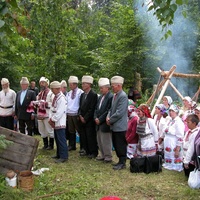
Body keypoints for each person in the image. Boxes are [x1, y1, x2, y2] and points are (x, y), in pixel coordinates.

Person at [106, 76, 128, 170]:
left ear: (119, 85)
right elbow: (111, 109)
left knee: (120, 144)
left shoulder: (123, 96)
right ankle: (120, 161)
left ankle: (122, 163)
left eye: (113, 86)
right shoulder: (115, 95)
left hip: (120, 126)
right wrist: (108, 116)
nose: (112, 87)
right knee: (116, 143)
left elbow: (119, 112)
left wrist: (110, 120)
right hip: (114, 125)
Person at [78, 75, 98, 158]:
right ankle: (86, 150)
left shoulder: (93, 95)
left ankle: (93, 152)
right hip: (82, 118)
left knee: (90, 136)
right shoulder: (82, 95)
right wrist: (80, 115)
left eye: (84, 84)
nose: (82, 85)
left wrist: (85, 118)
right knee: (83, 135)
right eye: (82, 84)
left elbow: (92, 108)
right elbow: (80, 106)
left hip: (89, 120)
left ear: (89, 85)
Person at [94, 78, 113, 163]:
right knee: (99, 139)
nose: (100, 89)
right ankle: (102, 154)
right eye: (100, 88)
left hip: (104, 122)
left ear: (107, 87)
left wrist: (100, 119)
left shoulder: (110, 96)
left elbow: (108, 110)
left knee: (106, 140)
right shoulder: (100, 97)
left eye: (102, 88)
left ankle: (108, 156)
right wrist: (95, 117)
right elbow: (96, 108)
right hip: (98, 122)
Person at [49, 81, 68, 163]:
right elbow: (52, 108)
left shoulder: (62, 98)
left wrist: (53, 119)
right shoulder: (55, 97)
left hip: (60, 121)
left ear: (57, 89)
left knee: (61, 139)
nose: (52, 91)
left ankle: (64, 156)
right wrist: (51, 118)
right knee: (57, 138)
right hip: (55, 120)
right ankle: (59, 154)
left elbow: (60, 111)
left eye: (53, 89)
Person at [162, 104, 184, 172]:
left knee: (173, 153)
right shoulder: (170, 120)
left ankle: (175, 165)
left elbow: (180, 136)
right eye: (170, 111)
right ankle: (168, 163)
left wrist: (177, 149)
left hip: (174, 141)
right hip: (168, 140)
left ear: (177, 112)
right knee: (168, 152)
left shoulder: (178, 122)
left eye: (173, 111)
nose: (171, 112)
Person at [35, 77, 54, 150]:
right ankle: (45, 144)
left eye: (43, 83)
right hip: (40, 114)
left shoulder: (50, 93)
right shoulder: (39, 93)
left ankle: (51, 145)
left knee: (49, 130)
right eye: (40, 83)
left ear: (46, 83)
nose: (41, 84)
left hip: (47, 114)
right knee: (42, 130)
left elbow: (52, 103)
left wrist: (44, 103)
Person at [66, 76, 83, 151]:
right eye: (69, 84)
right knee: (71, 130)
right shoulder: (69, 93)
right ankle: (72, 145)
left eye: (71, 84)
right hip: (69, 113)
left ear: (75, 84)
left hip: (76, 113)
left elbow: (81, 104)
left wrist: (79, 114)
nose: (70, 86)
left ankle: (82, 146)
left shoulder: (80, 92)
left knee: (79, 130)